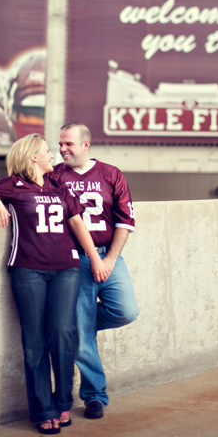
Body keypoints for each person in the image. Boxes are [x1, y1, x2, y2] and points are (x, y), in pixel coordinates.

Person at [0, 134, 109, 435]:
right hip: (28, 271)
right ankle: (43, 410)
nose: (52, 156)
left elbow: (77, 222)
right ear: (33, 157)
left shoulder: (59, 185)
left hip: (66, 269)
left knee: (62, 334)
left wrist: (94, 257)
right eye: (47, 152)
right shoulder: (13, 185)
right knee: (35, 342)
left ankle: (63, 402)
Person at [52, 121, 138, 420]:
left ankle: (79, 326)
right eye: (60, 144)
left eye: (68, 144)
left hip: (107, 256)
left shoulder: (111, 174)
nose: (61, 149)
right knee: (82, 339)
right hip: (73, 263)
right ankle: (94, 396)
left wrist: (111, 259)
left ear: (85, 145)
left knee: (126, 310)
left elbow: (125, 221)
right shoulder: (54, 176)